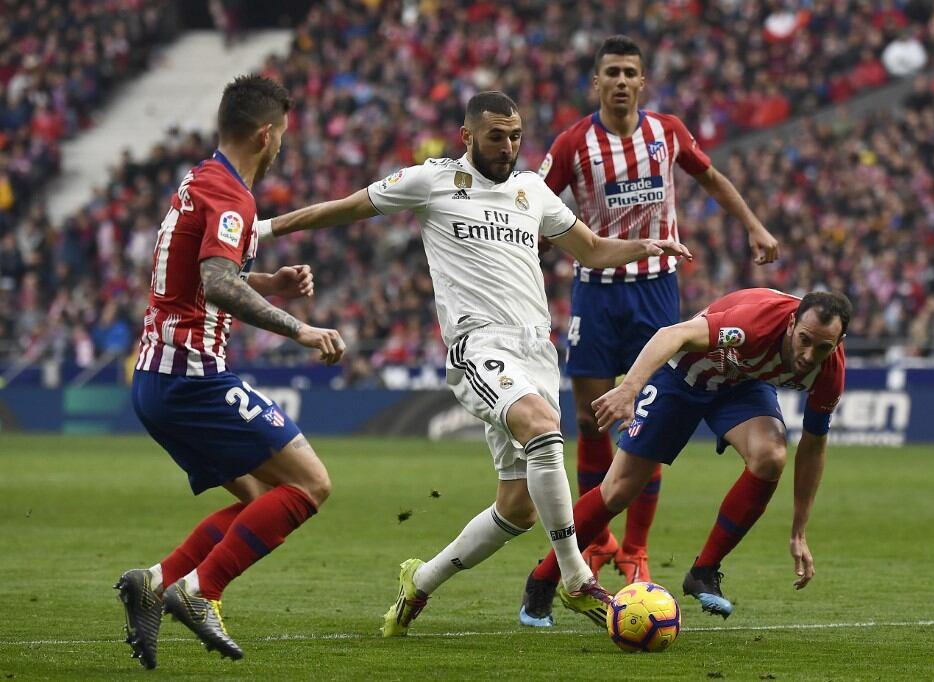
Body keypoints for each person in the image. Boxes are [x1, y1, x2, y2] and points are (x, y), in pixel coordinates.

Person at [257, 90, 692, 635]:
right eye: (496, 136)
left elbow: (592, 249)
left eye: (515, 135)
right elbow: (343, 209)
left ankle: (419, 582)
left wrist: (646, 248)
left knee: (516, 509)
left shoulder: (532, 190)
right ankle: (577, 577)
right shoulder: (430, 180)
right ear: (467, 136)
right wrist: (264, 230)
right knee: (543, 427)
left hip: (536, 351)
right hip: (478, 346)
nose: (508, 146)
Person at [115, 74, 346, 669]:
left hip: (159, 376)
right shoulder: (232, 196)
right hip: (190, 377)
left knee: (265, 499)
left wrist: (267, 283)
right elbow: (216, 283)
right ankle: (200, 591)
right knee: (310, 484)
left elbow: (198, 275)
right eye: (282, 139)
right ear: (265, 134)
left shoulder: (200, 178)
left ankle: (157, 580)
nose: (281, 150)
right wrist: (300, 330)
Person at [536, 35, 779, 593]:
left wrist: (754, 225)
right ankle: (596, 542)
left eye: (630, 73)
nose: (621, 81)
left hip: (656, 295)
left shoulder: (666, 132)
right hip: (596, 293)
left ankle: (637, 549)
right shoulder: (573, 143)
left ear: (643, 82)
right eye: (611, 73)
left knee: (653, 420)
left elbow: (712, 178)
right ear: (595, 82)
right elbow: (536, 211)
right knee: (594, 419)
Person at [520, 288, 850, 624]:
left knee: (771, 455)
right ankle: (543, 580)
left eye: (823, 347)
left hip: (741, 385)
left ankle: (704, 571)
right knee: (618, 490)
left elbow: (813, 446)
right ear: (792, 323)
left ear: (839, 342)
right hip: (683, 377)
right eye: (805, 340)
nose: (809, 355)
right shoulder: (753, 325)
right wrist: (629, 388)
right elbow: (673, 334)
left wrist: (798, 531)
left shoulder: (830, 372)